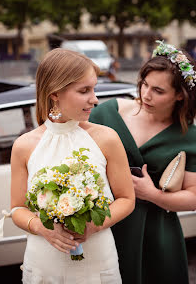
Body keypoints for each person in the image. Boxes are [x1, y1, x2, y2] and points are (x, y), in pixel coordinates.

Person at [10, 48, 135, 283]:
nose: (95, 99)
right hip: (44, 263)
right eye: (84, 90)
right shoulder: (23, 146)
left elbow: (127, 200)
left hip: (97, 260)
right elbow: (17, 209)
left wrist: (94, 226)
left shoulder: (107, 138)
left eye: (94, 89)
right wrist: (42, 228)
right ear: (55, 93)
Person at [90, 40, 196, 284]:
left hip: (155, 233)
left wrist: (152, 194)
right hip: (104, 225)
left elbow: (192, 198)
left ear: (180, 95)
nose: (146, 95)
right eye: (145, 85)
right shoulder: (108, 113)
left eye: (158, 91)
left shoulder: (189, 137)